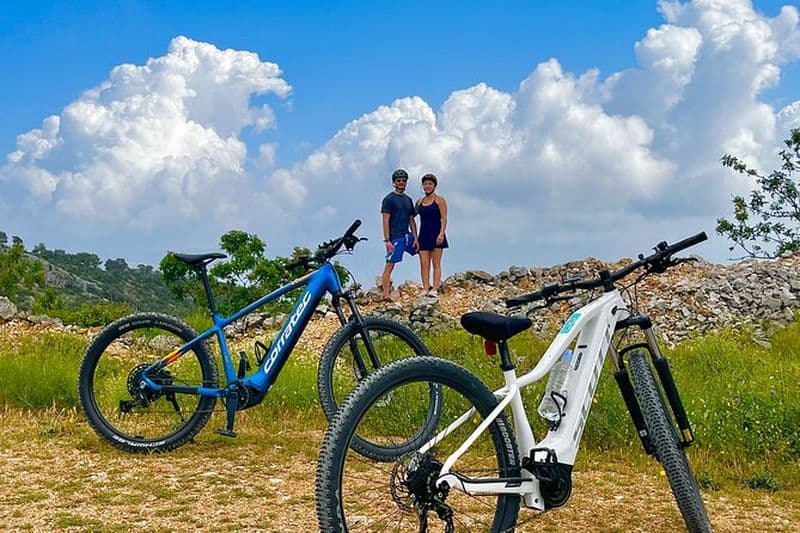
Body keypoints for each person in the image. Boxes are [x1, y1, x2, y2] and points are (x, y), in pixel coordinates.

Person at [380, 169, 418, 300]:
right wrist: (387, 240)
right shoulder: (388, 199)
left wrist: (416, 237)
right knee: (390, 264)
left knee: (424, 251)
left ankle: (427, 285)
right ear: (394, 183)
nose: (401, 183)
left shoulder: (408, 200)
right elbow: (385, 220)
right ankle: (385, 293)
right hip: (394, 237)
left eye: (403, 181)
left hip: (407, 235)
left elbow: (411, 220)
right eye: (398, 181)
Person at [415, 173, 448, 297]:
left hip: (436, 233)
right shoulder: (420, 202)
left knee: (436, 263)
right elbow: (412, 215)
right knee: (424, 264)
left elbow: (444, 218)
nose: (427, 186)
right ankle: (425, 287)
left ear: (434, 186)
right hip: (423, 234)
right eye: (425, 184)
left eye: (430, 184)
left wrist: (441, 233)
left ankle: (435, 287)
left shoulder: (440, 200)